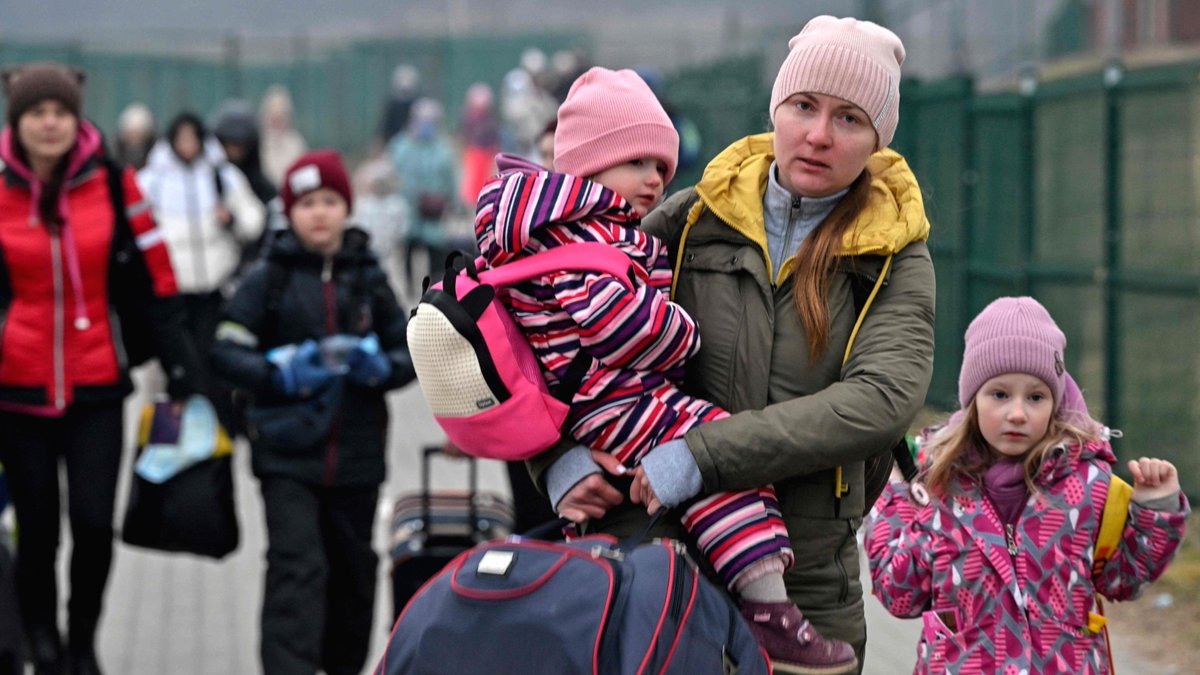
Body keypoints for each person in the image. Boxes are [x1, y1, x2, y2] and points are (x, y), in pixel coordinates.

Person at [539, 16, 933, 674]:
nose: (818, 134)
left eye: (849, 119)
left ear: (876, 139)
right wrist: (556, 459)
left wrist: (702, 454)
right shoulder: (693, 219)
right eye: (804, 106)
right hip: (656, 558)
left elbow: (880, 400)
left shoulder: (894, 251)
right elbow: (544, 321)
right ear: (776, 107)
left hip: (804, 587)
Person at [477, 67, 857, 674]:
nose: (655, 180)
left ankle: (755, 602)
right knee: (716, 455)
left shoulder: (552, 229)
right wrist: (684, 332)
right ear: (590, 166)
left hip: (600, 402)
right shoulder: (578, 237)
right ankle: (768, 608)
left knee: (705, 463)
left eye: (662, 165)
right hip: (613, 400)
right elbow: (617, 324)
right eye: (637, 163)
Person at [0, 62, 200, 675]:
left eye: (60, 111)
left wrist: (183, 367)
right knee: (37, 531)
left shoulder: (116, 183)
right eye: (37, 113)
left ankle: (83, 639)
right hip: (17, 388)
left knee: (92, 523)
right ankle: (43, 640)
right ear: (18, 121)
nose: (50, 123)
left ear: (76, 116)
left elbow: (157, 276)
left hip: (97, 383)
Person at [865, 297, 1189, 673]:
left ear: (1056, 401)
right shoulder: (938, 486)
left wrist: (1154, 510)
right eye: (999, 394)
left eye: (1035, 397)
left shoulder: (1089, 486)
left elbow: (1123, 580)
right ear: (973, 400)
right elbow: (900, 594)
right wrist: (896, 500)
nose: (1017, 413)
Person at [210, 150, 416, 675]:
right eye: (306, 203)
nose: (319, 213)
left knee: (353, 574)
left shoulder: (368, 274)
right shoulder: (268, 277)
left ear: (346, 206)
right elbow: (227, 347)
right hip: (286, 456)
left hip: (358, 456)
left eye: (329, 200)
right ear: (288, 211)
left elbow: (411, 350)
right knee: (296, 569)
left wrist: (380, 367)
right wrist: (277, 372)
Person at [136, 112, 266, 431]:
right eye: (181, 139)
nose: (188, 146)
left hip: (214, 291)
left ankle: (215, 445)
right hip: (170, 294)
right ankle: (166, 449)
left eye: (193, 138)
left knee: (213, 373)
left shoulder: (222, 175)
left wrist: (231, 220)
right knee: (173, 375)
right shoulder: (152, 179)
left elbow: (254, 218)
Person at [388, 97, 457, 295]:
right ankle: (409, 288)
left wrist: (452, 202)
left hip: (432, 210)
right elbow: (392, 172)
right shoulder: (401, 145)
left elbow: (450, 179)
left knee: (435, 251)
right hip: (407, 209)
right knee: (408, 248)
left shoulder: (443, 150)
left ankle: (433, 288)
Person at [258, 85, 308, 188]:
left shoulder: (296, 143)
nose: (277, 120)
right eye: (273, 115)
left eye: (281, 115)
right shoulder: (258, 143)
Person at [112, 101, 155, 170]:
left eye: (138, 133)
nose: (134, 138)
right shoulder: (115, 153)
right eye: (130, 133)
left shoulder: (155, 154)